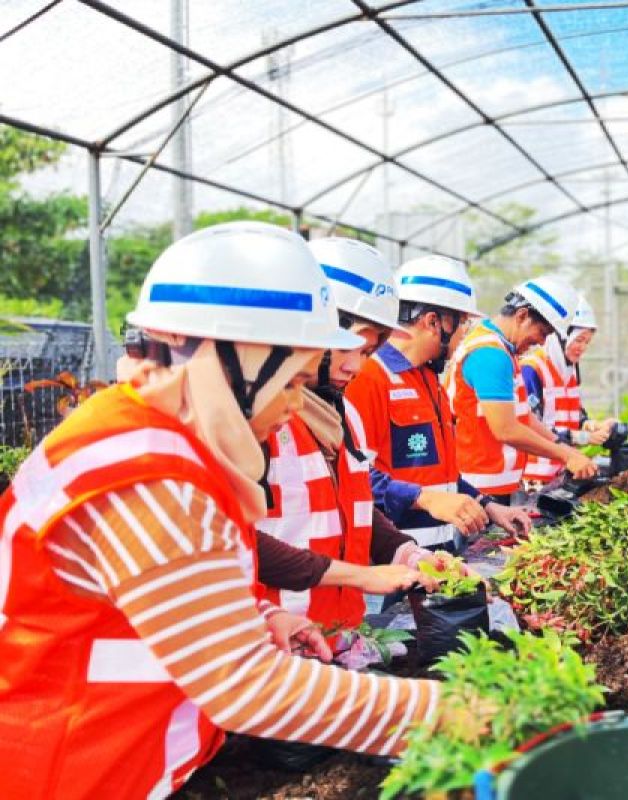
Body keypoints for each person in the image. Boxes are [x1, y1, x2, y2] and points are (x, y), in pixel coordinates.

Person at [0, 222, 441, 799]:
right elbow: (247, 686)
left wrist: (259, 616)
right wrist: (449, 713)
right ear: (238, 359)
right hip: (75, 774)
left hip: (129, 760)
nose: (291, 409)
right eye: (289, 384)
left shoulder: (155, 443)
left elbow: (152, 591)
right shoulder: (146, 475)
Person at [255, 237, 443, 633]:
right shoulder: (260, 420)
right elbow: (240, 542)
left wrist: (404, 551)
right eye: (347, 348)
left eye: (368, 352)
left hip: (337, 633)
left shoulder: (345, 415)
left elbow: (354, 507)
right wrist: (359, 576)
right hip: (279, 639)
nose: (354, 367)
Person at [345, 255, 531, 551]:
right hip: (392, 560)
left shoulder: (429, 380)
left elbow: (441, 475)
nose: (465, 335)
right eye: (463, 325)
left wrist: (488, 505)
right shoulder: (368, 377)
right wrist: (424, 498)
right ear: (434, 322)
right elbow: (352, 477)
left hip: (437, 554)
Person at [446, 276, 597, 503]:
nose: (540, 342)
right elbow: (506, 429)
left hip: (493, 483)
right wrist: (566, 455)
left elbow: (523, 417)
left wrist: (563, 446)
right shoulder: (491, 355)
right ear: (522, 315)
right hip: (477, 486)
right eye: (543, 333)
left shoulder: (504, 350)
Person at [520, 294, 616, 484]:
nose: (583, 347)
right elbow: (531, 427)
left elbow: (573, 413)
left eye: (587, 342)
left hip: (562, 472)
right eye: (579, 340)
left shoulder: (568, 371)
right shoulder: (532, 369)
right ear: (561, 337)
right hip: (534, 478)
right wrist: (584, 437)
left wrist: (589, 425)